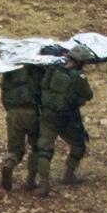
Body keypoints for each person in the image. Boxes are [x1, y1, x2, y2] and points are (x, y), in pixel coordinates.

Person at [35, 45, 95, 196]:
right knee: (79, 144)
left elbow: (42, 87)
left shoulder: (52, 69)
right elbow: (88, 95)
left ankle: (44, 184)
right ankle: (69, 174)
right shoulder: (78, 77)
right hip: (66, 117)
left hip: (47, 115)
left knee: (45, 150)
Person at [0, 64, 44, 191]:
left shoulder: (8, 70)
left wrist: (10, 110)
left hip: (12, 113)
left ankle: (9, 164)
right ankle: (30, 179)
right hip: (31, 112)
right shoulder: (35, 69)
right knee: (36, 146)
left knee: (14, 149)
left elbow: (4, 93)